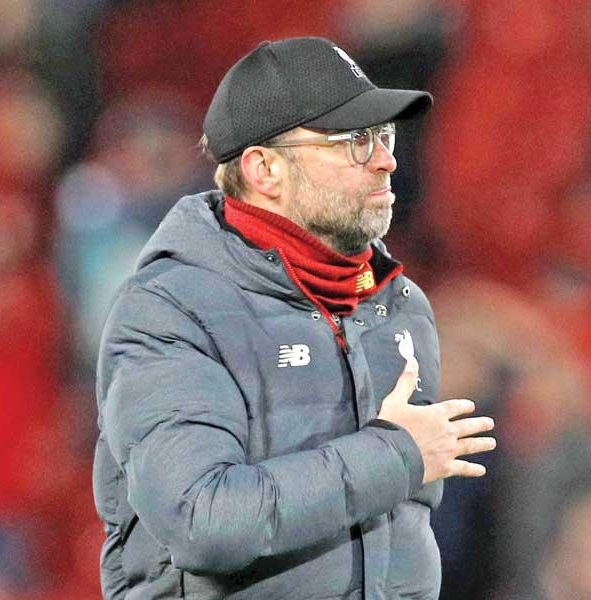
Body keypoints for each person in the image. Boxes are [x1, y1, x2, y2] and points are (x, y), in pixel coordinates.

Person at [92, 36, 496, 600]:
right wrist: (396, 454)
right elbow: (203, 520)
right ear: (265, 169)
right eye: (354, 142)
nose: (386, 160)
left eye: (384, 136)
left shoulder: (397, 305)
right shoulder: (172, 309)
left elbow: (401, 547)